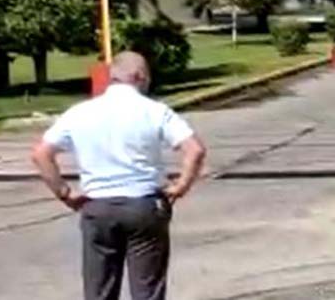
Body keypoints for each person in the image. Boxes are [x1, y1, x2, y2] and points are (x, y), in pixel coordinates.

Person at [31, 52, 207, 300]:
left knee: (100, 288)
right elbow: (195, 150)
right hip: (144, 204)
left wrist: (65, 192)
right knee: (148, 288)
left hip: (98, 206)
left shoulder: (80, 112)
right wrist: (181, 185)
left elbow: (41, 154)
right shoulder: (155, 111)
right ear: (139, 76)